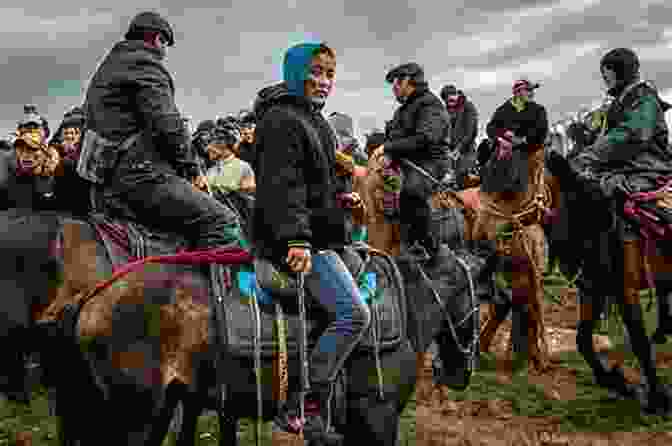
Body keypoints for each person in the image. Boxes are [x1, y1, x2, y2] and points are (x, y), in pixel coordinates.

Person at [253, 42, 370, 445]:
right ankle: (302, 404)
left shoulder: (312, 119)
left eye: (329, 75)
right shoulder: (283, 120)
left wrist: (342, 198)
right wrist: (297, 240)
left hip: (319, 236)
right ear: (295, 72)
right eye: (316, 72)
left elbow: (315, 183)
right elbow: (283, 189)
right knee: (355, 315)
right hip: (298, 245)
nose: (323, 82)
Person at [80, 11, 242, 299]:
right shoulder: (145, 65)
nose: (165, 53)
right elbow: (167, 124)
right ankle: (217, 310)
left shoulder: (109, 67)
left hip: (108, 184)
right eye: (165, 46)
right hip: (141, 177)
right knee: (223, 221)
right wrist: (191, 168)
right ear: (158, 40)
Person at [550, 48, 672, 351]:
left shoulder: (644, 100)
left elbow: (632, 134)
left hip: (647, 171)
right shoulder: (617, 102)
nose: (605, 79)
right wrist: (582, 139)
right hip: (620, 169)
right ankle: (593, 269)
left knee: (613, 196)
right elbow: (603, 134)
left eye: (606, 73)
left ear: (617, 72)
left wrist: (590, 156)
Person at [370, 62, 451, 259]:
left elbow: (426, 138)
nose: (394, 87)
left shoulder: (430, 104)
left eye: (397, 82)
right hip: (405, 162)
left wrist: (388, 148)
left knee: (411, 191)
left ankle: (427, 247)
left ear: (408, 80)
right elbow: (395, 138)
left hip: (431, 162)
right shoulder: (402, 111)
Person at [482, 77, 549, 194]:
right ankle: (487, 192)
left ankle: (515, 191)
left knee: (518, 160)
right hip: (504, 147)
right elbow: (491, 128)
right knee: (488, 161)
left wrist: (523, 140)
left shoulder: (538, 110)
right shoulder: (502, 110)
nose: (531, 93)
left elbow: (541, 131)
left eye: (531, 90)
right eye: (527, 90)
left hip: (529, 148)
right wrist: (501, 137)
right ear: (517, 93)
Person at [440, 85, 479, 188]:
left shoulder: (468, 107)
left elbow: (471, 131)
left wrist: (459, 149)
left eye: (452, 96)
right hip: (450, 154)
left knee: (464, 181)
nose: (449, 100)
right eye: (446, 99)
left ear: (457, 94)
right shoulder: (444, 112)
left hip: (466, 152)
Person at [204, 120, 255, 194]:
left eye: (211, 142)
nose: (208, 148)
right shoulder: (210, 172)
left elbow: (249, 200)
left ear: (223, 143)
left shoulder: (243, 167)